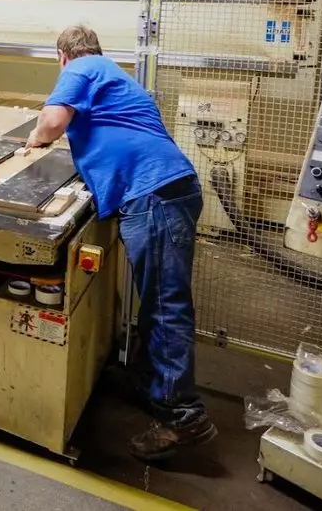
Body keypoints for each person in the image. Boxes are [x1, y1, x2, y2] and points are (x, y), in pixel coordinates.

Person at [26, 23, 213, 462]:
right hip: (164, 190)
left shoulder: (83, 66)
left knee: (166, 306)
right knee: (157, 303)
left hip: (155, 195)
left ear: (62, 57)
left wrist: (35, 138)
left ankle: (182, 415)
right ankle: (156, 387)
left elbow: (52, 122)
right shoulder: (111, 72)